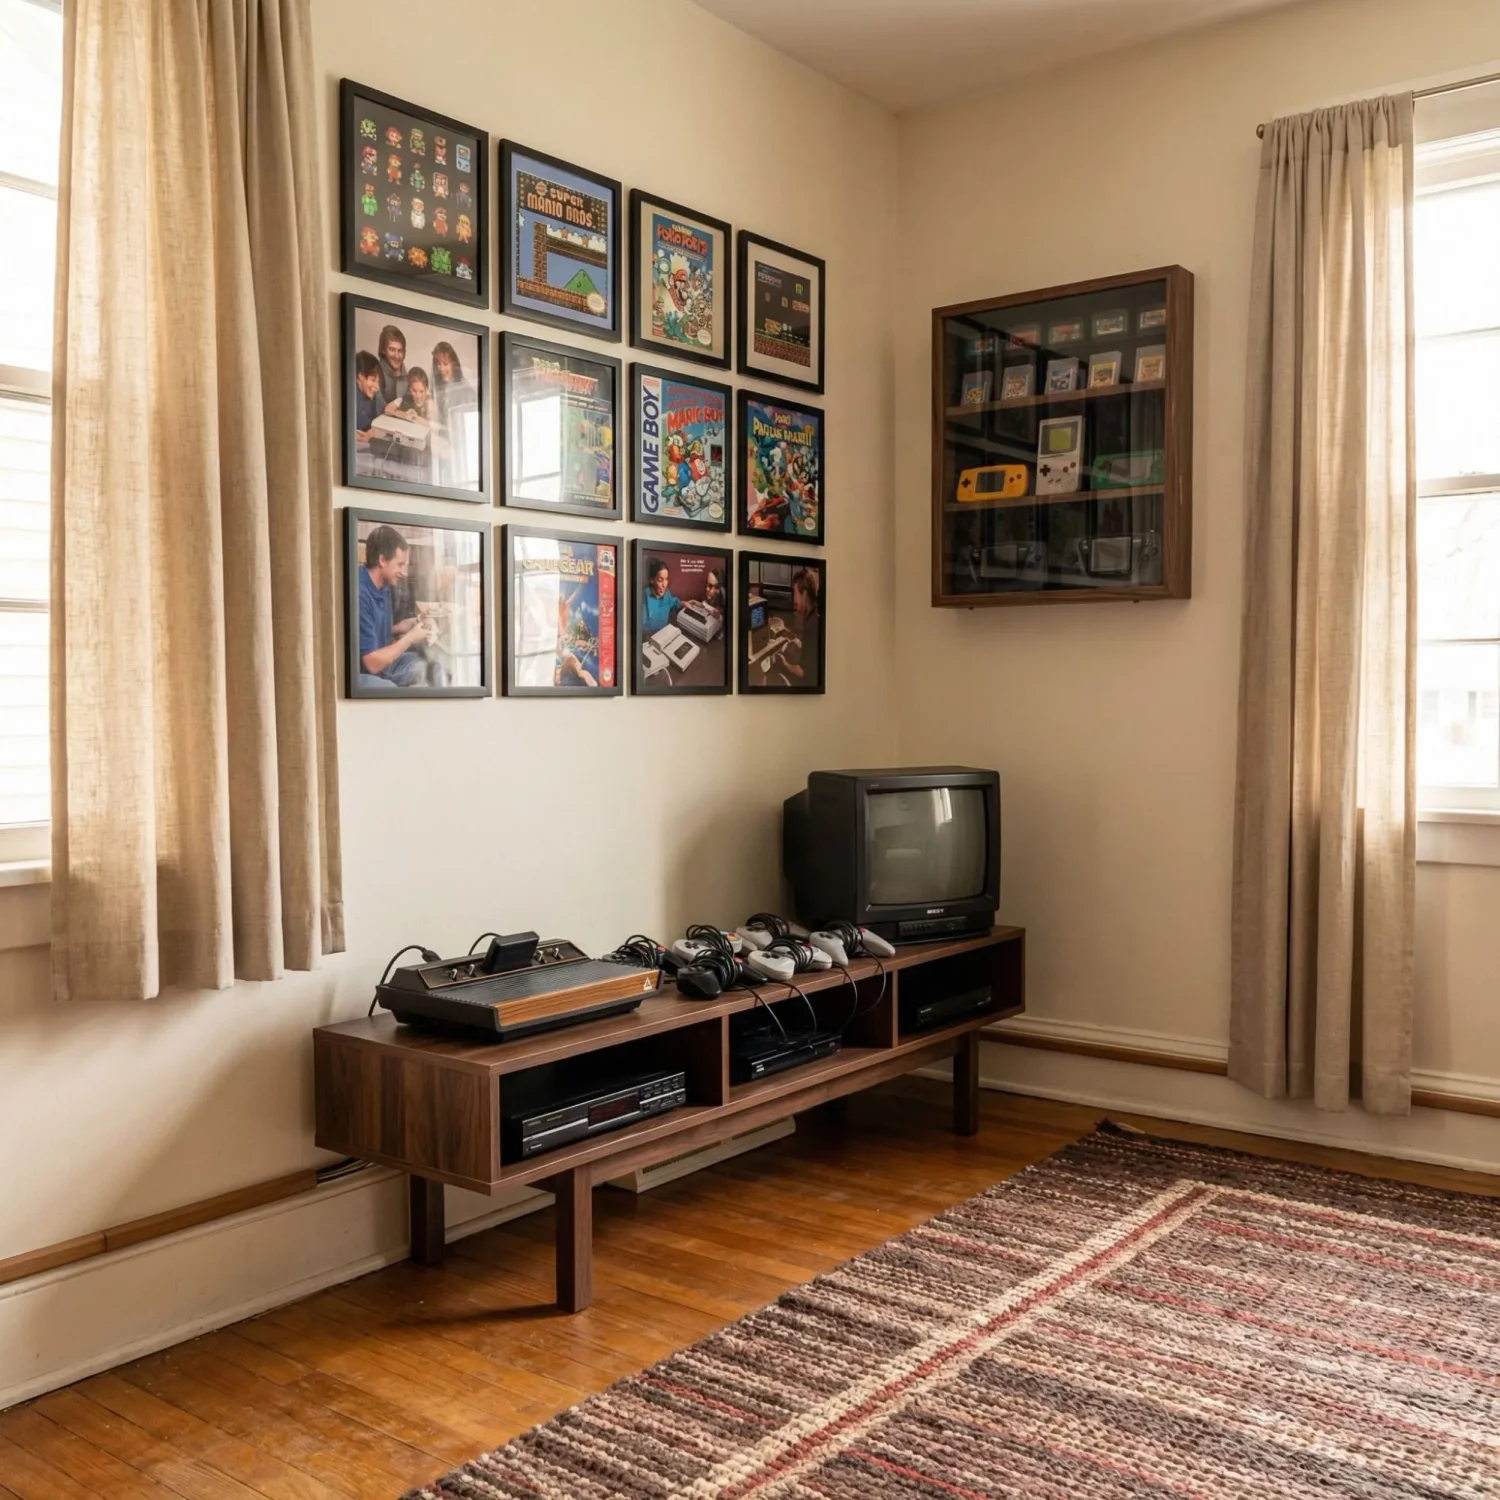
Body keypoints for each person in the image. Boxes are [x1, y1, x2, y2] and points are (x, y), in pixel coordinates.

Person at [357, 524, 432, 689]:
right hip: (362, 672)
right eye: (400, 564)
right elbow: (372, 663)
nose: (404, 572)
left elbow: (368, 631)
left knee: (426, 667)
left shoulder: (383, 585)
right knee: (390, 688)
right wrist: (411, 637)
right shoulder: (359, 593)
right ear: (382, 560)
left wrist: (402, 627)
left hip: (381, 664)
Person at [430, 341, 477, 488]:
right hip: (445, 440)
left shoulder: (465, 390)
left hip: (461, 446)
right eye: (438, 364)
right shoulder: (437, 389)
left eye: (445, 364)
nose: (441, 369)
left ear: (453, 364)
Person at [781, 568, 821, 686]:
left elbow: (804, 672)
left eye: (795, 594)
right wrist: (801, 643)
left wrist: (785, 664)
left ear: (804, 594)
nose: (794, 600)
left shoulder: (812, 626)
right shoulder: (814, 617)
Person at [353, 350, 384, 458]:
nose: (377, 386)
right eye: (373, 380)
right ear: (360, 377)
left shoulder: (375, 394)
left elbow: (385, 416)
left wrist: (371, 432)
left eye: (378, 381)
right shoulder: (350, 399)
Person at [640, 557, 680, 633]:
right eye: (660, 580)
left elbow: (672, 602)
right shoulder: (643, 597)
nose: (664, 585)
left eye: (666, 579)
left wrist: (682, 604)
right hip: (648, 638)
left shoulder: (667, 593)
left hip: (664, 634)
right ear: (652, 580)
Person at [376, 323, 409, 408]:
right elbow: (379, 408)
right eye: (392, 349)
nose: (397, 356)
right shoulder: (376, 373)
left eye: (400, 351)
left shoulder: (406, 373)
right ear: (383, 350)